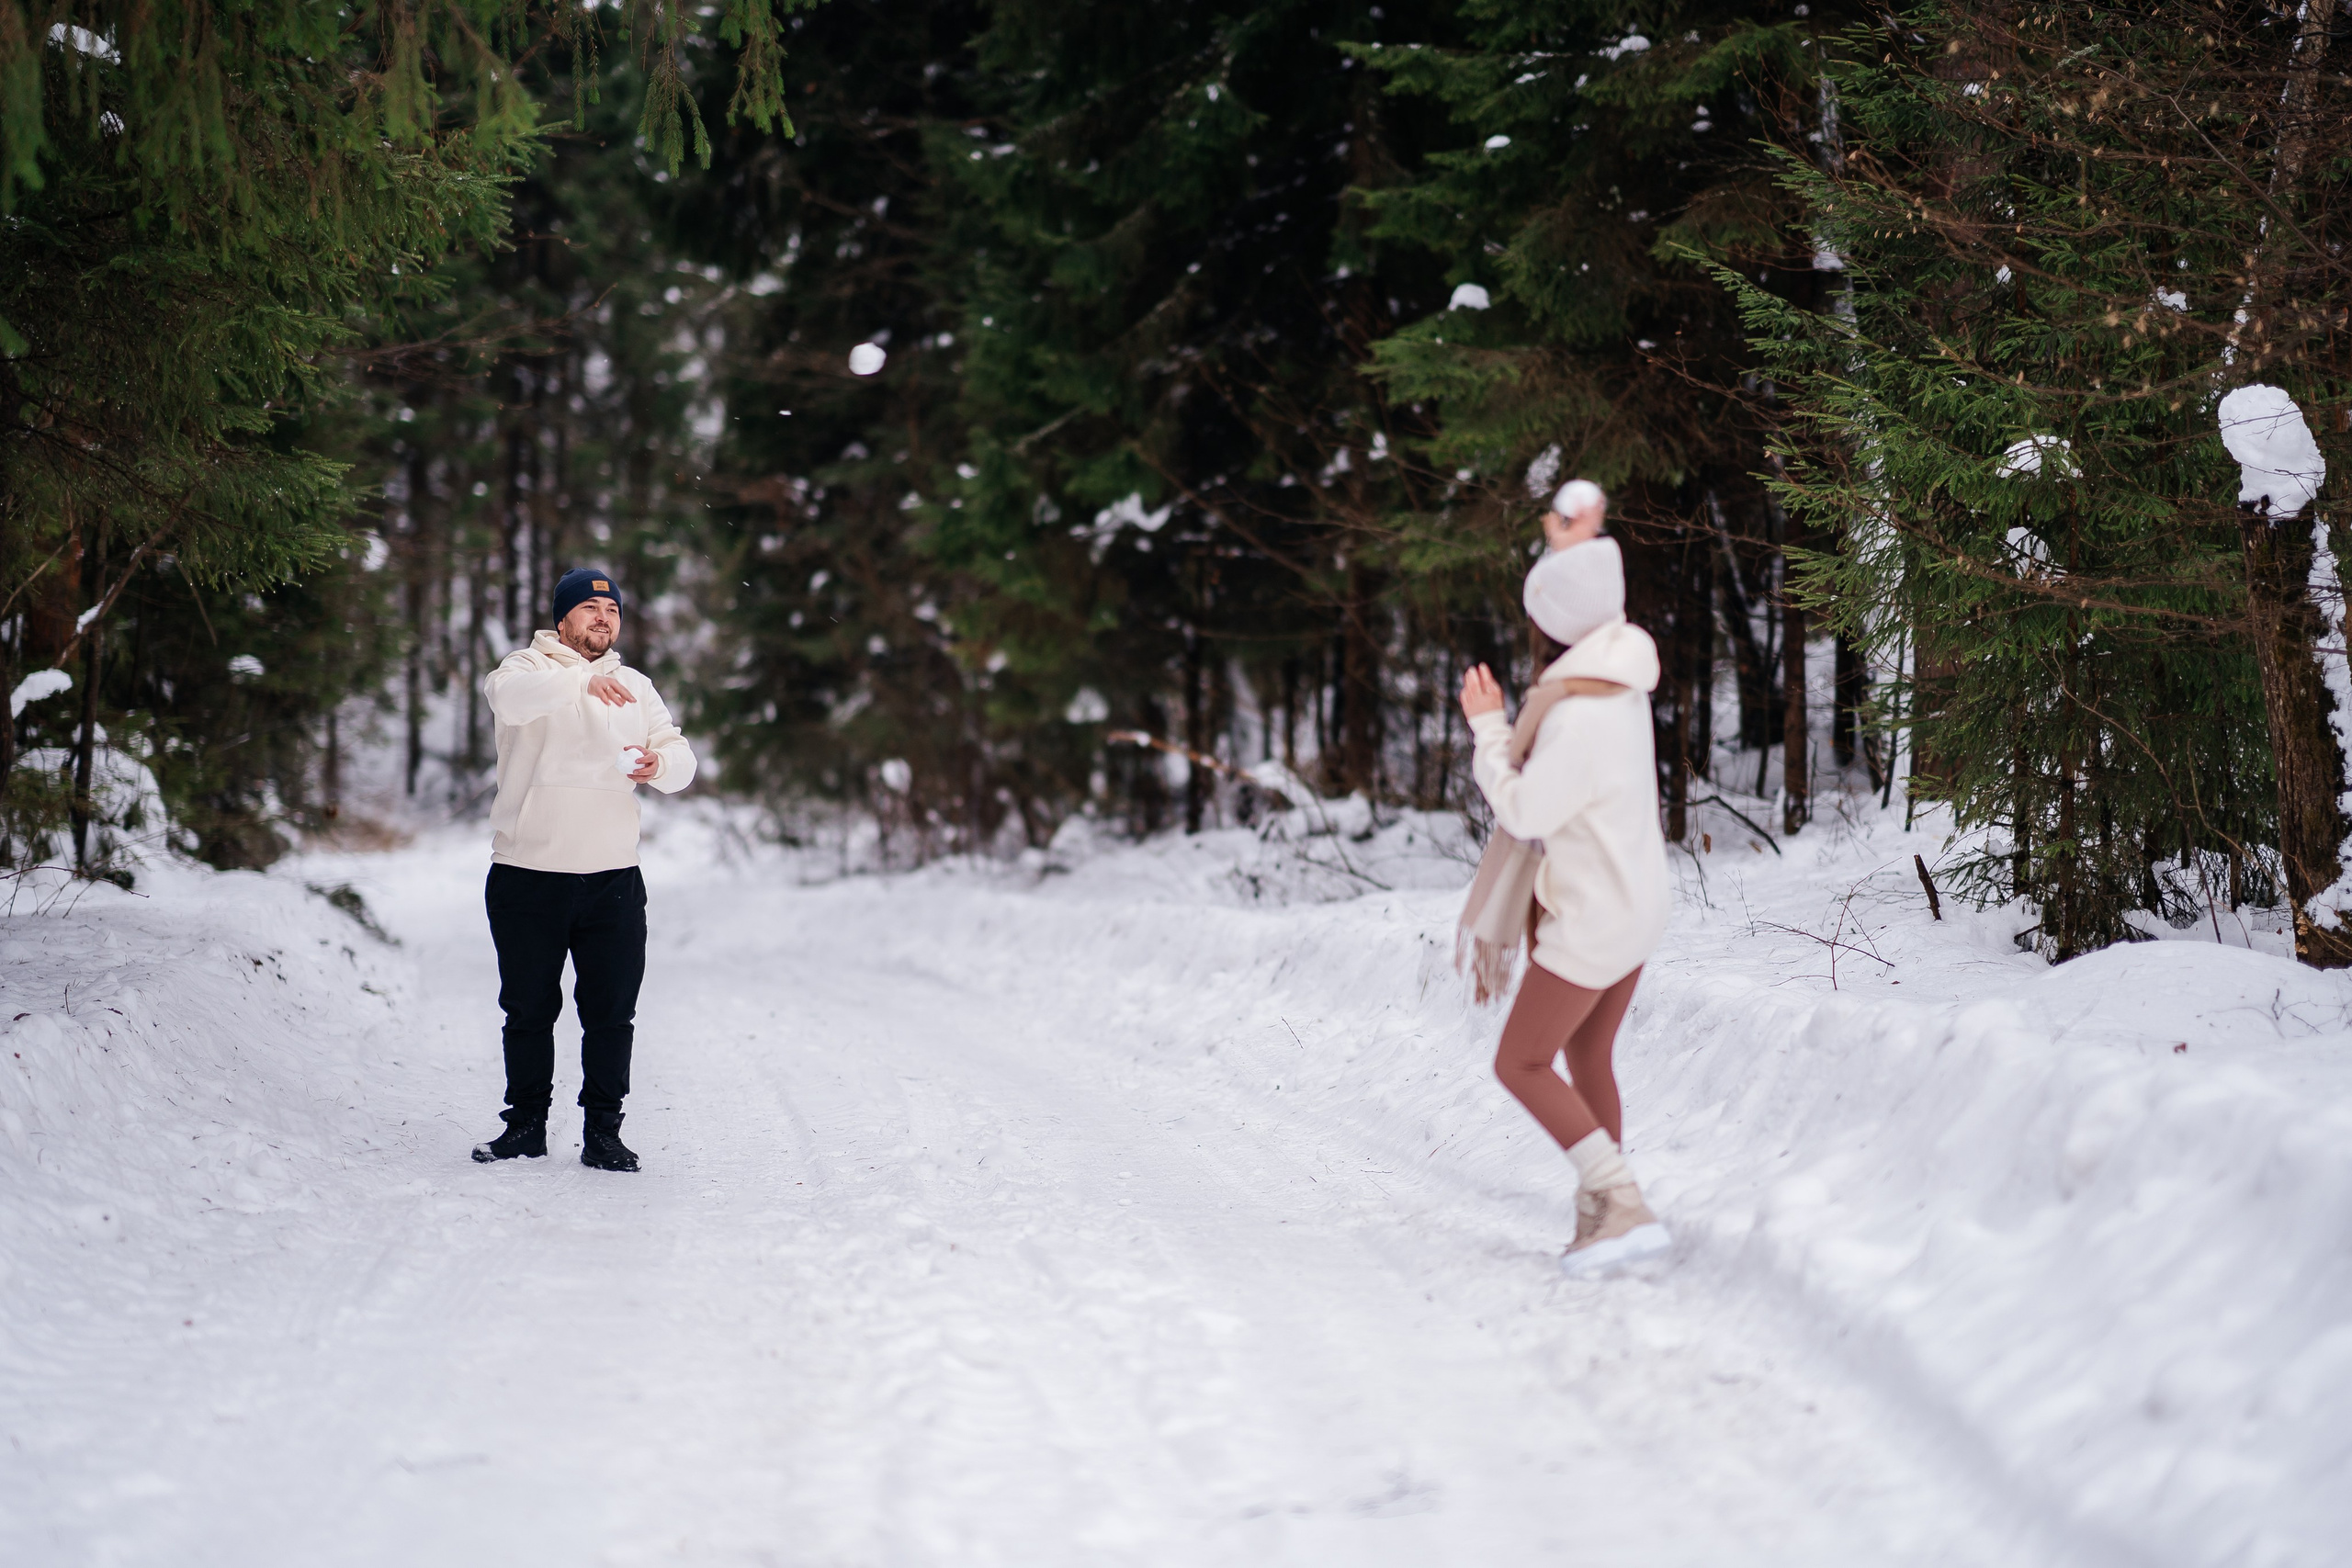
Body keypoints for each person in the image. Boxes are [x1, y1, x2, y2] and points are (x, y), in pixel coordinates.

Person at [1458, 479, 1673, 1273]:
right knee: (1588, 1059)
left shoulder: (1576, 713)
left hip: (1594, 918)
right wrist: (1577, 538)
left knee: (1518, 1060)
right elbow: (1589, 593)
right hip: (1637, 903)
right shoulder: (1616, 672)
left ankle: (1620, 1200)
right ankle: (1604, 1215)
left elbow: (1524, 810)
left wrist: (1487, 727)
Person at [469, 568, 696, 1172]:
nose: (604, 617)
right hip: (528, 873)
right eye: (591, 607)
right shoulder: (524, 669)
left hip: (612, 880)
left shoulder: (635, 685)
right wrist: (579, 682)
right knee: (528, 1010)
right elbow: (510, 703)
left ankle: (603, 1131)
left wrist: (659, 763)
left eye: (613, 610)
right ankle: (524, 1128)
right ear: (562, 618)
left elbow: (682, 754)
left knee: (611, 1013)